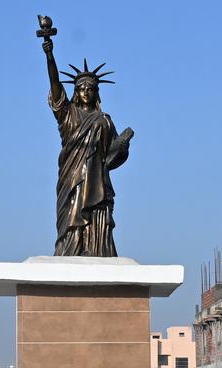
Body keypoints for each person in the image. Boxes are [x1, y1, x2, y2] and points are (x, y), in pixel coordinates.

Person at [41, 34, 134, 257]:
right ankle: (72, 249)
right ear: (75, 91)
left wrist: (122, 145)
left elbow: (112, 156)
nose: (86, 92)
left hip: (98, 181)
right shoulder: (68, 114)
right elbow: (55, 87)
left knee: (98, 218)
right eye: (81, 88)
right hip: (72, 178)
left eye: (90, 88)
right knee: (71, 220)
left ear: (96, 92)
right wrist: (49, 54)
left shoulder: (105, 120)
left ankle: (96, 249)